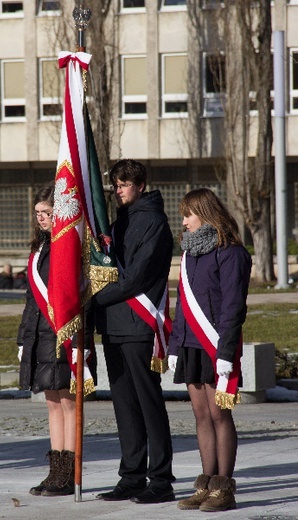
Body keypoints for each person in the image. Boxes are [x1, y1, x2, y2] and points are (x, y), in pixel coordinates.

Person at [93, 159, 175, 504]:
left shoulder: (154, 222)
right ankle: (131, 475)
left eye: (124, 184)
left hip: (139, 324)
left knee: (148, 401)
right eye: (114, 184)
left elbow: (136, 277)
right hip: (114, 323)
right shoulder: (117, 222)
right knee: (124, 404)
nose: (118, 190)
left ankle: (160, 478)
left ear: (140, 185)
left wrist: (93, 298)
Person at [168, 188, 252, 512]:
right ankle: (206, 484)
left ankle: (223, 488)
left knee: (219, 415)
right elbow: (183, 305)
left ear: (205, 213)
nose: (184, 221)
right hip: (190, 343)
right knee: (201, 415)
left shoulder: (231, 253)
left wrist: (227, 354)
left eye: (188, 214)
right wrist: (175, 344)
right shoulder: (189, 253)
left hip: (217, 345)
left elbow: (233, 307)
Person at [17, 182, 76, 497]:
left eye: (47, 213)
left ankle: (68, 474)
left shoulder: (69, 246)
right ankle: (55, 472)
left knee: (68, 402)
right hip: (39, 335)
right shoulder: (37, 247)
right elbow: (31, 299)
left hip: (62, 334)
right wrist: (21, 339)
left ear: (60, 214)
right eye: (38, 212)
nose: (41, 218)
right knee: (51, 402)